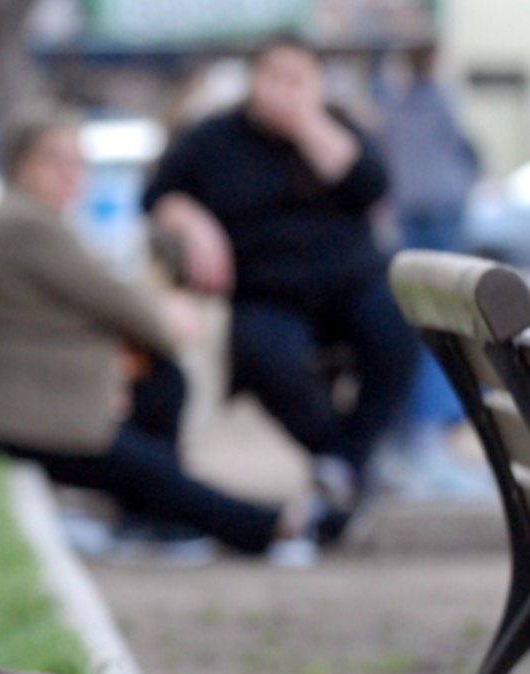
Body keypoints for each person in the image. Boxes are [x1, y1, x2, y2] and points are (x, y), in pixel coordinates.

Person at [0, 105, 336, 565]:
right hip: (11, 424)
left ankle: (151, 521)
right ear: (20, 166)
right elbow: (116, 300)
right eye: (56, 160)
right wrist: (165, 320)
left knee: (160, 390)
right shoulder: (26, 226)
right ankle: (273, 526)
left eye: (78, 162)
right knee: (151, 470)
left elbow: (94, 306)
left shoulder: (31, 222)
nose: (72, 174)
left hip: (35, 410)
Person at [142, 34, 416, 515]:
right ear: (254, 81)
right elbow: (156, 194)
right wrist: (193, 221)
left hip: (351, 281)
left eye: (297, 79)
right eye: (274, 77)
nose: (283, 90)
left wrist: (310, 127)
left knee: (398, 335)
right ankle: (335, 459)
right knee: (265, 355)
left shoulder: (338, 129)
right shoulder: (213, 139)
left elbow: (373, 186)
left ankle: (347, 462)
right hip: (267, 289)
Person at [376, 44, 494, 501]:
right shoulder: (430, 100)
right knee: (438, 327)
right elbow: (463, 154)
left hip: (418, 215)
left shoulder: (396, 102)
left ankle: (425, 437)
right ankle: (428, 438)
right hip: (435, 213)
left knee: (429, 325)